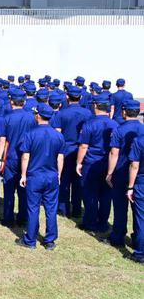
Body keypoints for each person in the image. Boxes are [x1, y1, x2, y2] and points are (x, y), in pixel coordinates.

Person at [16, 104, 65, 250]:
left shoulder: (30, 134)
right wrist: (59, 175)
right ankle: (50, 240)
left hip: (35, 175)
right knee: (51, 208)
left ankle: (30, 240)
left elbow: (25, 156)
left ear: (38, 116)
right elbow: (60, 158)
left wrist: (23, 174)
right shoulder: (58, 135)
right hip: (51, 175)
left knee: (33, 208)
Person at [76, 95, 118, 233]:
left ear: (95, 106)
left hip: (92, 162)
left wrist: (79, 162)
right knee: (106, 195)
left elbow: (83, 146)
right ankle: (103, 222)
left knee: (90, 193)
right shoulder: (115, 124)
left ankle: (90, 222)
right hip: (109, 163)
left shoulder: (89, 124)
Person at [105, 100, 143, 247]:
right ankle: (137, 238)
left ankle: (118, 236)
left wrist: (109, 173)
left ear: (124, 112)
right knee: (138, 210)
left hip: (121, 171)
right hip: (139, 174)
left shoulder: (119, 130)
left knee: (120, 207)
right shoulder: (142, 128)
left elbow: (114, 153)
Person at [51, 86, 93, 218]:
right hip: (82, 148)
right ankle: (76, 209)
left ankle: (63, 208)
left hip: (65, 149)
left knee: (64, 179)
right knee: (78, 180)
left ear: (67, 97)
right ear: (80, 98)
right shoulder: (88, 114)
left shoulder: (61, 113)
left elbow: (57, 134)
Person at [0, 89, 36, 227]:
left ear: (11, 101)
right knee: (24, 188)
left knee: (9, 189)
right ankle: (23, 217)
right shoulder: (31, 118)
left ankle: (8, 218)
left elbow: (2, 139)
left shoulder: (7, 118)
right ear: (24, 102)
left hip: (11, 156)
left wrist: (0, 158)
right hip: (26, 157)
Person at [127, 134, 144, 263]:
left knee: (141, 219)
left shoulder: (139, 141)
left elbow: (134, 165)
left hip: (141, 184)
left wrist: (130, 187)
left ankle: (140, 253)